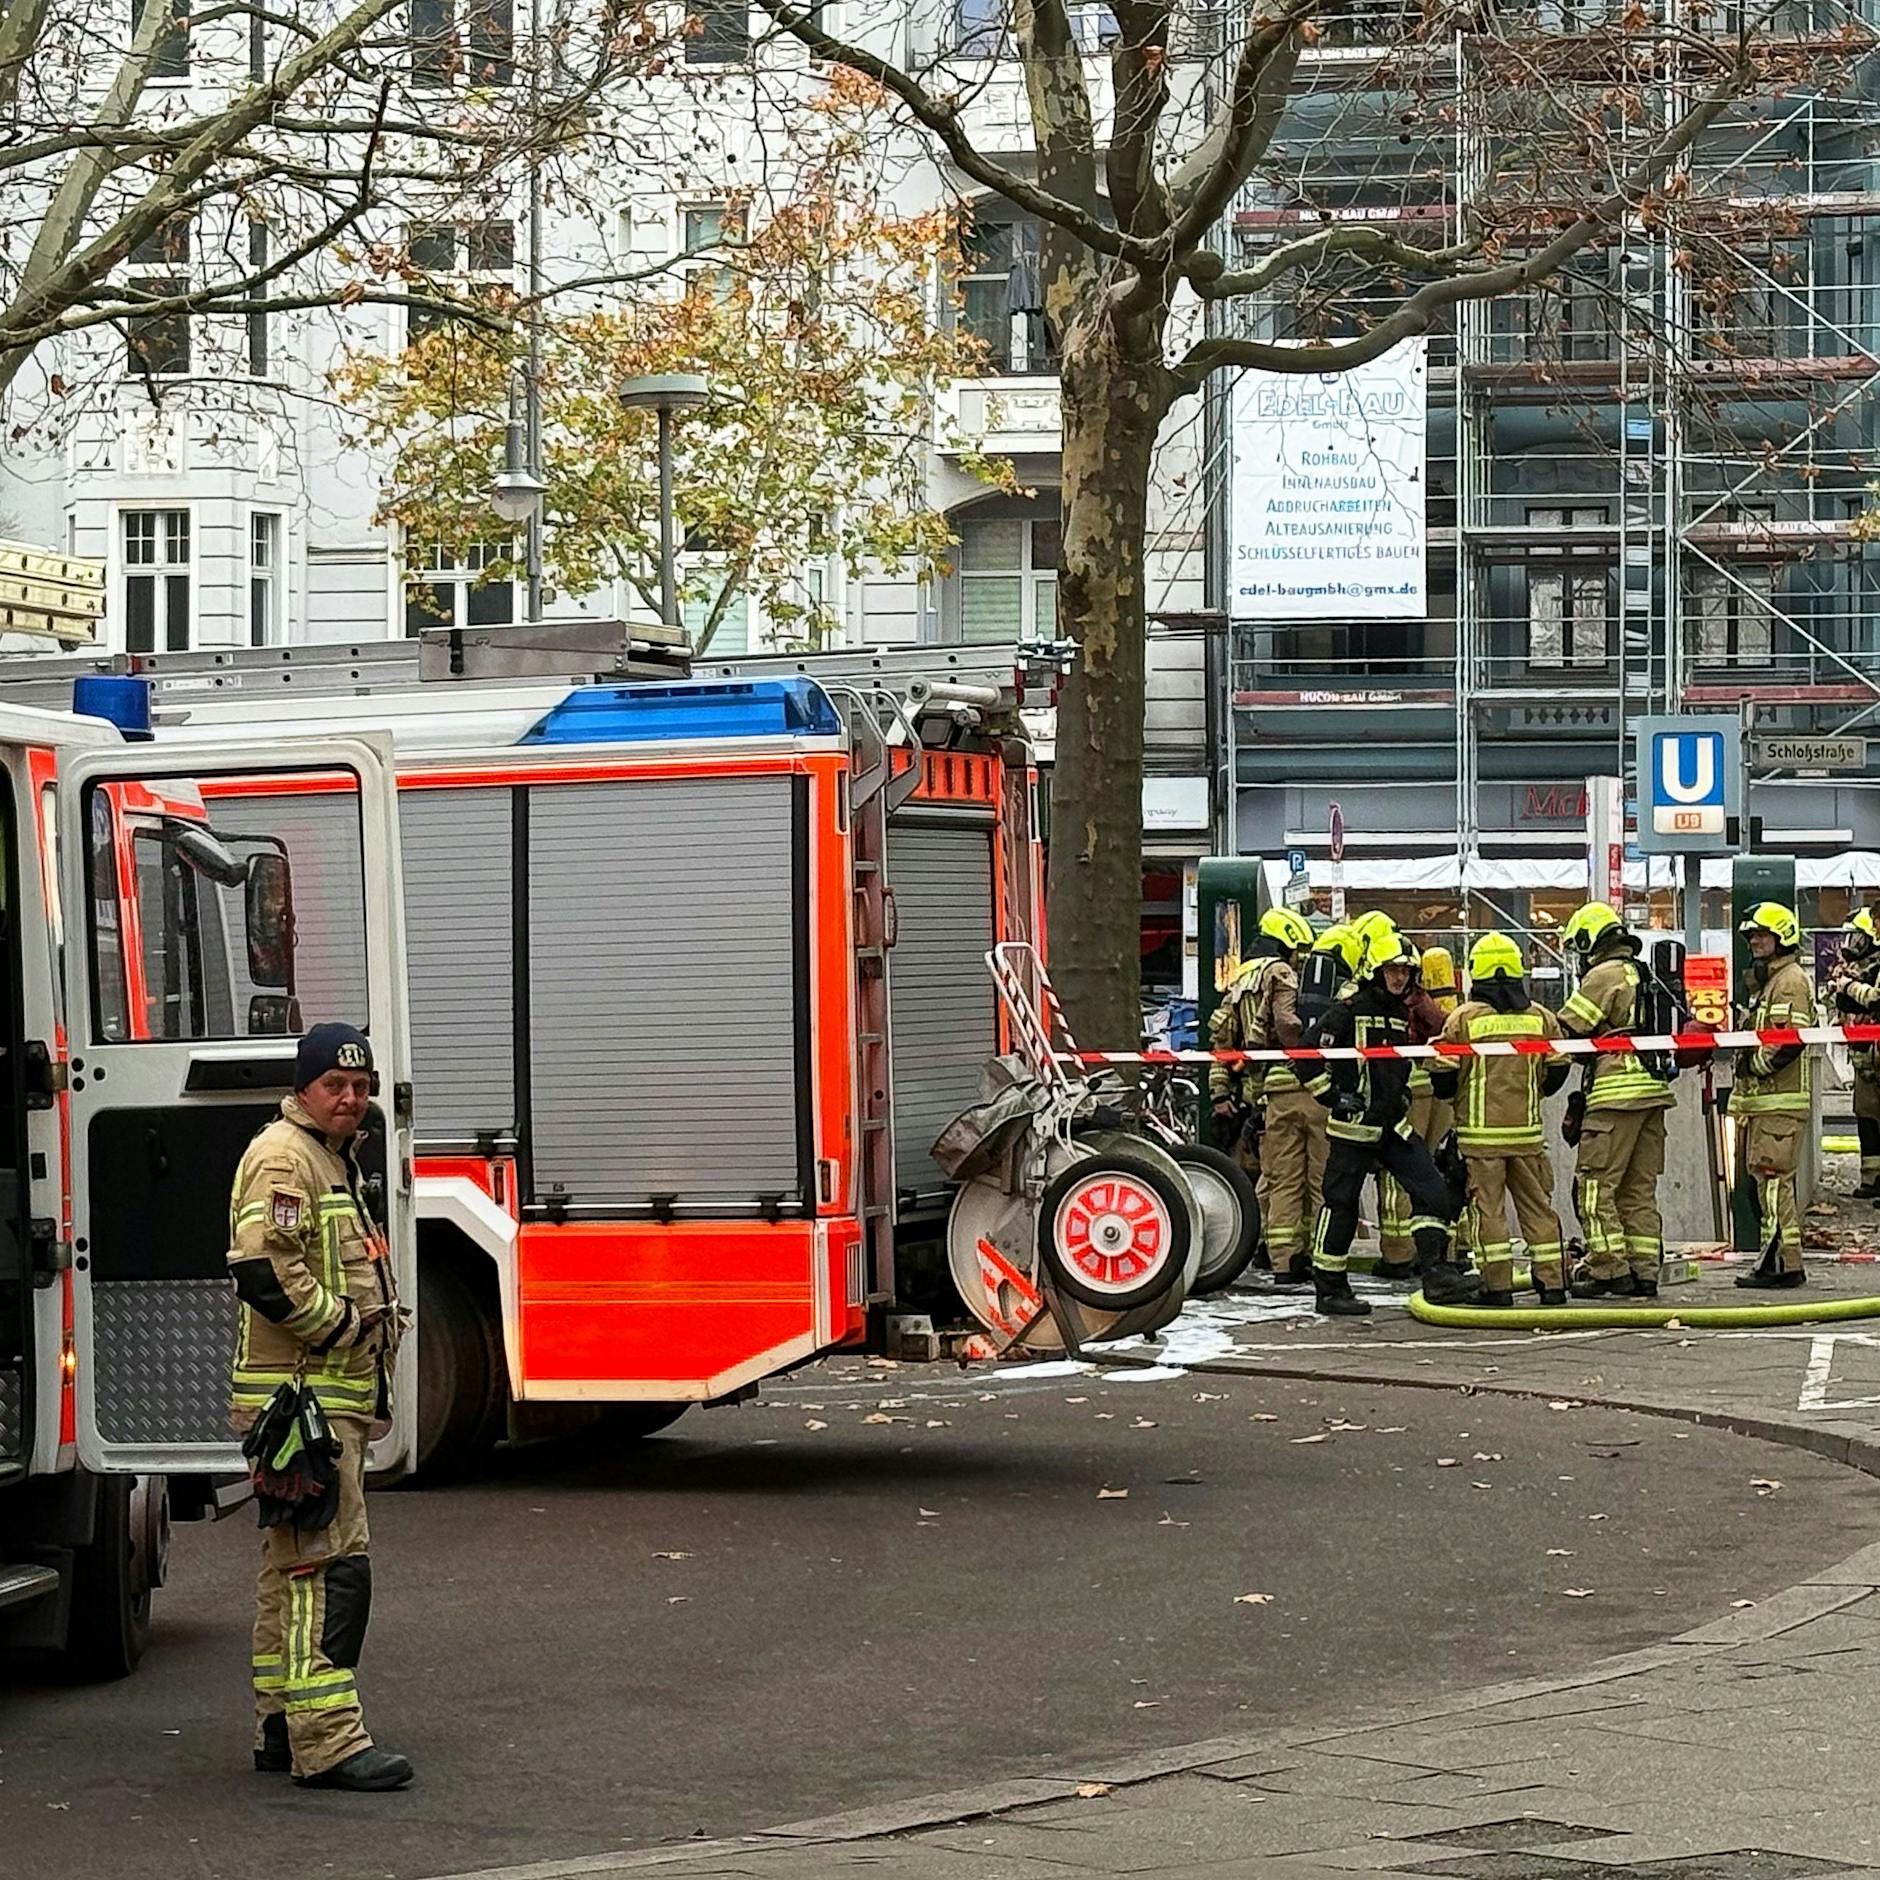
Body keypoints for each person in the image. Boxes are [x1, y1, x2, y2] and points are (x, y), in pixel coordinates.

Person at [228, 1023, 413, 1792]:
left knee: (289, 1566)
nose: (351, 1099)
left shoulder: (331, 1159)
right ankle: (329, 1740)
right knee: (328, 1568)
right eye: (336, 1086)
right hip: (305, 1404)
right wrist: (342, 1326)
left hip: (321, 1404)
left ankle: (281, 1723)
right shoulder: (285, 1155)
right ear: (304, 1089)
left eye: (362, 1088)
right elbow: (264, 1271)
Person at [1307, 927, 1475, 1316]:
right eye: (1392, 970)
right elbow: (1306, 1053)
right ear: (1375, 971)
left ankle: (1437, 1275)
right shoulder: (1347, 1011)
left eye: (1404, 971)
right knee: (1341, 1205)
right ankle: (1330, 1290)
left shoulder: (1401, 1014)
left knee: (1433, 1191)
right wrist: (1332, 1096)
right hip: (1354, 1128)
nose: (1399, 977)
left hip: (1394, 1125)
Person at [1430, 934, 1572, 1308]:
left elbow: (1442, 1081)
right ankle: (1552, 1286)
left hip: (1481, 1139)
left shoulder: (1463, 1019)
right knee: (1538, 1210)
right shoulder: (1541, 1018)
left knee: (1488, 1212)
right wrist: (1531, 1091)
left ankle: (1497, 1288)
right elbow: (1558, 1072)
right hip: (1527, 1137)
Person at [1557, 902, 1675, 1298]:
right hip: (1653, 1093)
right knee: (1637, 1189)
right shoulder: (1642, 974)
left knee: (1593, 1186)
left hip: (1614, 1097)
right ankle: (1644, 1272)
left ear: (1591, 942)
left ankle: (1607, 1269)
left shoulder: (1601, 976)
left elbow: (1567, 1030)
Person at [1210, 908, 1320, 1282]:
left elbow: (1221, 1040)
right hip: (1287, 1081)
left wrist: (1219, 1093)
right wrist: (1307, 1053)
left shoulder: (1240, 978)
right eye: (1298, 950)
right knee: (1297, 1177)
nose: (1299, 958)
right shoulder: (1281, 972)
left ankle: (1261, 1247)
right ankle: (1297, 1257)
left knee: (1271, 1176)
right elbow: (1288, 1023)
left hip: (1255, 1087)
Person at [1730, 903, 1817, 1290]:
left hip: (1779, 1103)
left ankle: (1783, 1264)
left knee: (1773, 1183)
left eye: (1761, 934)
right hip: (1762, 1106)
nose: (1754, 941)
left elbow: (1788, 1042)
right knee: (1762, 1186)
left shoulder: (1790, 981)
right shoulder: (1770, 982)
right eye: (1750, 936)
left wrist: (1754, 1068)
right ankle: (1774, 1261)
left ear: (1783, 936)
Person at [1829, 908, 1880, 1199]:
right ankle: (1872, 1180)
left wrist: (1848, 985)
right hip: (1865, 1057)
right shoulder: (1858, 968)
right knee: (1866, 1116)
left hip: (1873, 1054)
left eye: (1858, 937)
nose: (1853, 943)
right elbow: (1837, 1001)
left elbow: (1872, 1000)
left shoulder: (1873, 968)